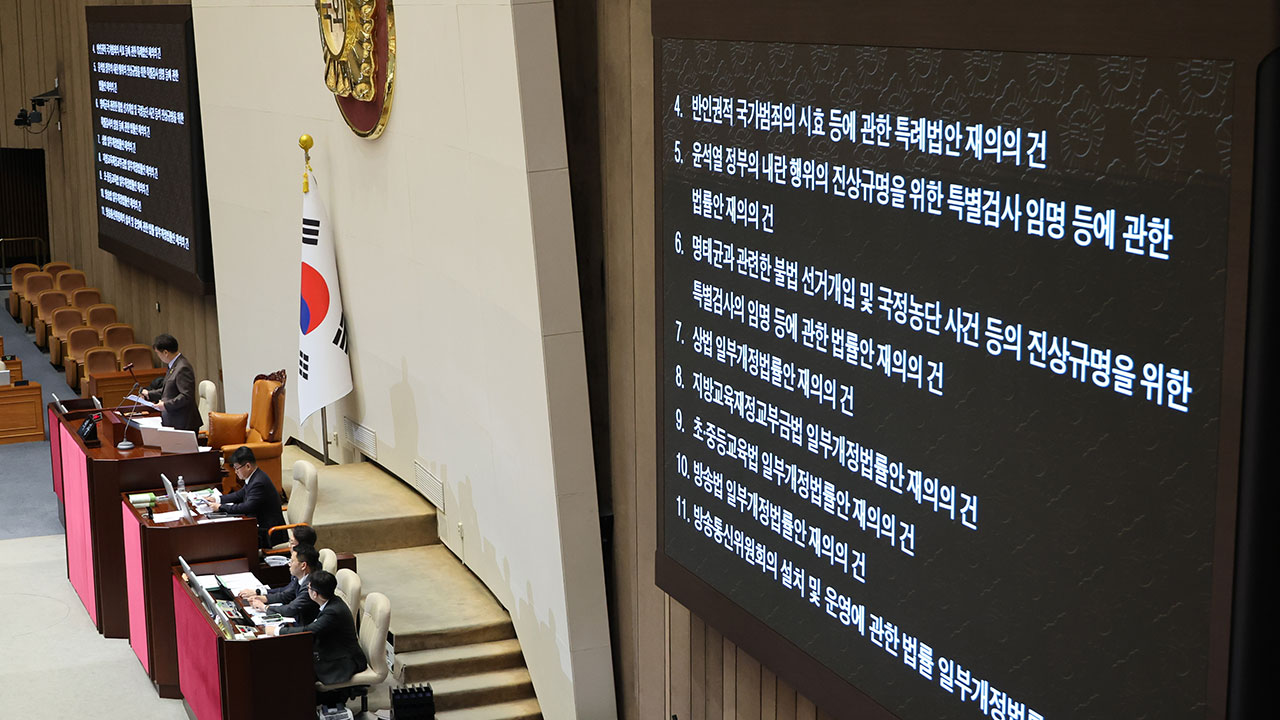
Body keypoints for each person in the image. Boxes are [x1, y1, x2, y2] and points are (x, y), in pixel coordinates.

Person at [266, 570, 367, 691]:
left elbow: (310, 631)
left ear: (314, 594)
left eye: (308, 588)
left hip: (345, 660)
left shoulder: (333, 611)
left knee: (295, 669)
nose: (307, 590)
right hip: (333, 649)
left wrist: (277, 631)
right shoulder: (332, 602)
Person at [211, 446, 285, 547]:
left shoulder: (258, 482)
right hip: (259, 524)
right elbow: (240, 494)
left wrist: (220, 507)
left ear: (248, 466)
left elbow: (247, 507)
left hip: (268, 534)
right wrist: (218, 499)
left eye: (237, 468)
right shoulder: (254, 476)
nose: (236, 472)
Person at [239, 544, 320, 624]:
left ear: (303, 566)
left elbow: (291, 609)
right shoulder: (300, 576)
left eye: (292, 561)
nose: (289, 564)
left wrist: (264, 607)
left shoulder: (310, 586)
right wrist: (263, 598)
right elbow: (286, 595)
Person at [140, 333, 201, 431]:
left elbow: (186, 396)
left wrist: (165, 405)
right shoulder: (173, 365)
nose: (158, 356)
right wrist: (149, 394)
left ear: (165, 352)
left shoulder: (183, 367)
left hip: (183, 423)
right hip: (174, 421)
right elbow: (169, 389)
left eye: (158, 353)